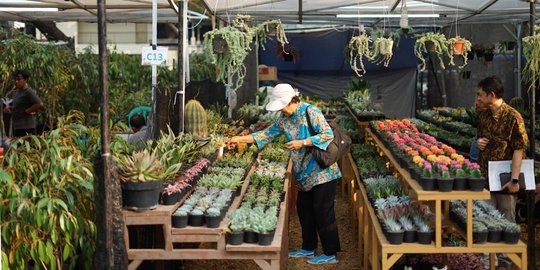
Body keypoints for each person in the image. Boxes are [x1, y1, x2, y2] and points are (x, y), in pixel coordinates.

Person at [228, 83, 341, 265]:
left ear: (291, 101)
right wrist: (240, 138)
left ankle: (331, 253)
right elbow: (266, 134)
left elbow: (327, 134)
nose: (281, 110)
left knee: (323, 213)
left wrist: (302, 142)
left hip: (323, 173)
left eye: (282, 106)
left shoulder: (310, 111)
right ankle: (308, 248)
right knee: (304, 211)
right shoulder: (283, 119)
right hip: (304, 175)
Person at [475, 76, 528, 222]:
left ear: (491, 95)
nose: (478, 98)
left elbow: (519, 149)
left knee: (506, 219)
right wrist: (478, 142)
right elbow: (479, 138)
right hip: (485, 179)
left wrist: (514, 181)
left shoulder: (513, 117)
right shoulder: (483, 115)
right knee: (485, 219)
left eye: (480, 94)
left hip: (505, 182)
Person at [2, 70, 44, 137]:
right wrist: (9, 109)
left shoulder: (28, 91)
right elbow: (18, 108)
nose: (16, 81)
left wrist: (27, 111)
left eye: (19, 79)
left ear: (25, 80)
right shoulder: (17, 92)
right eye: (15, 79)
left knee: (26, 146)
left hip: (26, 127)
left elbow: (39, 104)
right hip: (18, 127)